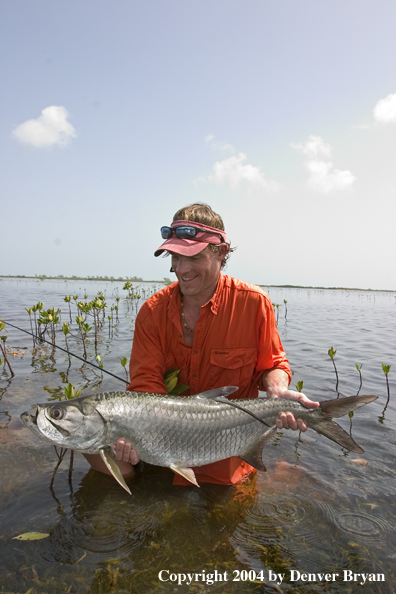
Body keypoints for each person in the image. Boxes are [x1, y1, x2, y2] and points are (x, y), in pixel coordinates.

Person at [85, 203, 319, 484]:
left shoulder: (254, 303)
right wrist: (134, 435)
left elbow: (273, 365)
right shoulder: (152, 311)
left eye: (192, 257)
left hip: (229, 448)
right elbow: (145, 384)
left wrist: (277, 388)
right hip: (161, 446)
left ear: (220, 253)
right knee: (87, 444)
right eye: (174, 256)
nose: (180, 269)